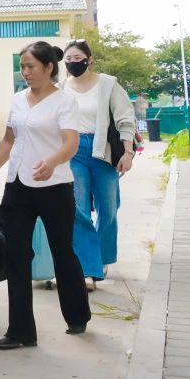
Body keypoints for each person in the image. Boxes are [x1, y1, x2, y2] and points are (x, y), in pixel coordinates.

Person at [0, 41, 90, 349]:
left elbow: (71, 142)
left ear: (48, 67)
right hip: (18, 187)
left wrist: (52, 162)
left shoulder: (64, 102)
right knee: (16, 256)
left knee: (62, 252)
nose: (25, 72)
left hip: (55, 188)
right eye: (22, 67)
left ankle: (77, 315)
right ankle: (21, 331)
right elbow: (8, 140)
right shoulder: (18, 100)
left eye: (30, 66)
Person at [61, 39, 138, 288]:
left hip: (103, 149)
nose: (73, 63)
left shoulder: (108, 84)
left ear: (89, 60)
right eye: (68, 59)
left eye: (77, 58)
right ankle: (86, 266)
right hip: (73, 150)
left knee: (109, 208)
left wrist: (128, 153)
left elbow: (125, 119)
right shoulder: (61, 87)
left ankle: (102, 258)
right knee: (78, 209)